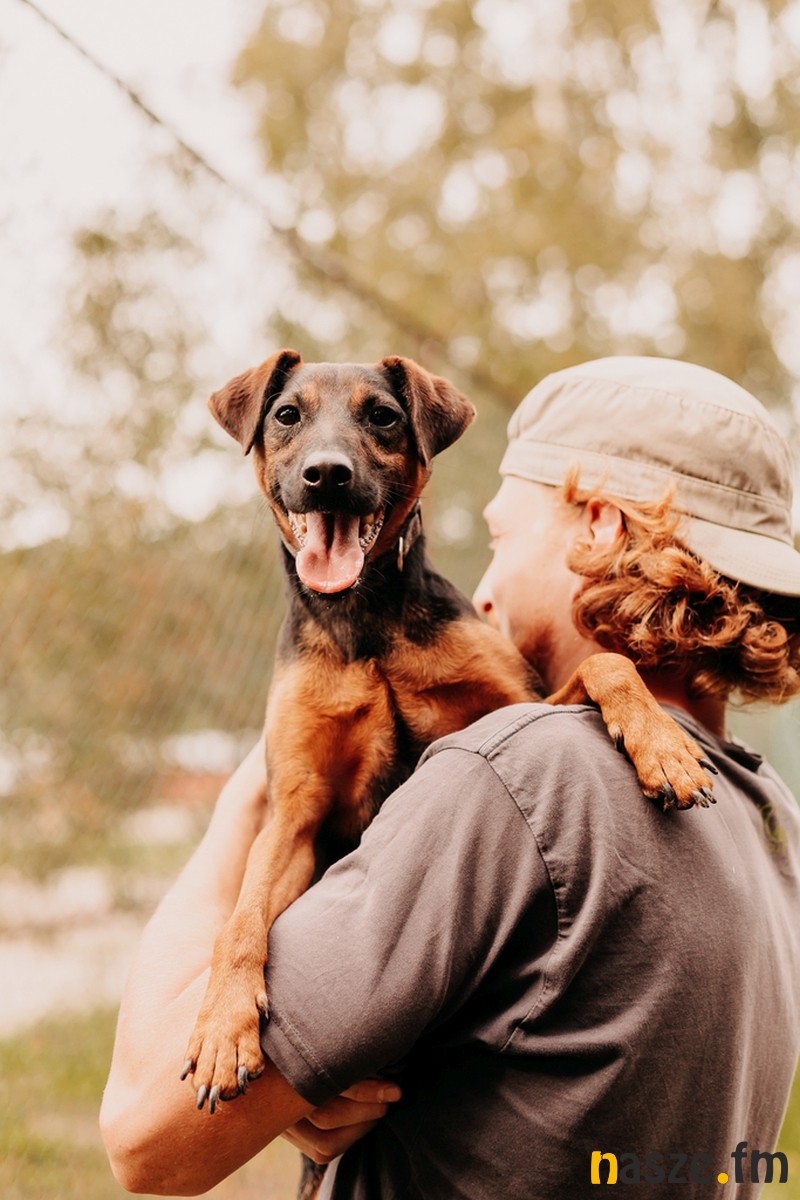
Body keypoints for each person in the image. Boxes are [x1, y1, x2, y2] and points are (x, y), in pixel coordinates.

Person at [100, 356, 800, 1198]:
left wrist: (241, 801)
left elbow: (146, 1143)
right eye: (290, 421)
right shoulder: (770, 815)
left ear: (601, 526)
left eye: (501, 542)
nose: (485, 593)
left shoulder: (516, 775)